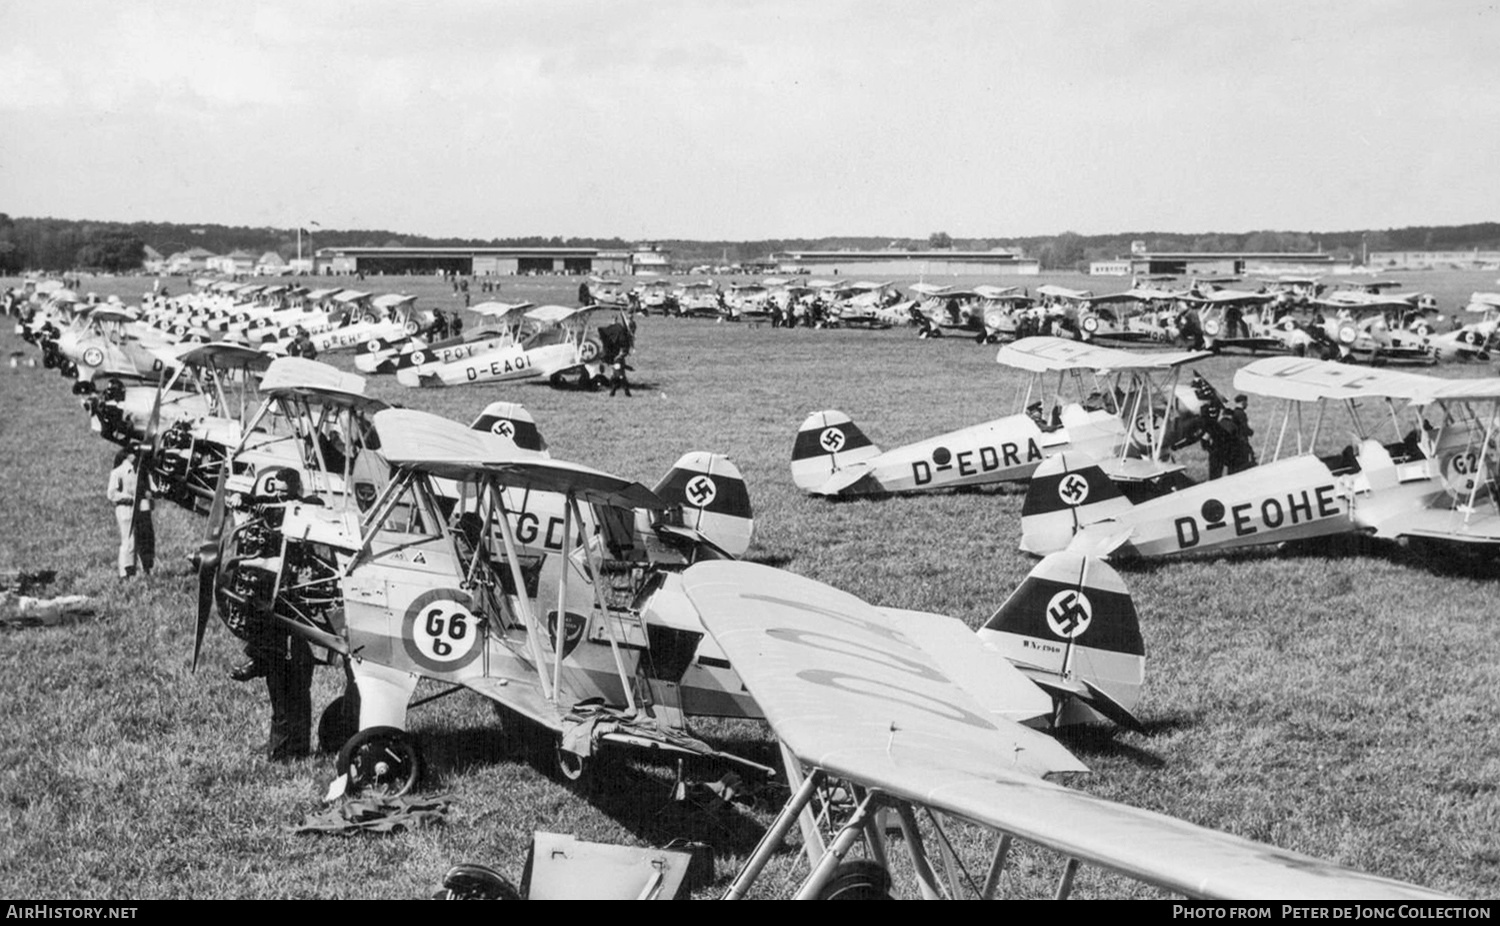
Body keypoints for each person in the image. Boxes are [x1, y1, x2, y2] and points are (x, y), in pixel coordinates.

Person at [106, 448, 154, 578]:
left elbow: (149, 489)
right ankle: (126, 572)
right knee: (129, 540)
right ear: (128, 456)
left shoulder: (141, 471)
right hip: (125, 510)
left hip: (141, 509)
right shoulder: (118, 472)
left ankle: (146, 567)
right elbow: (111, 494)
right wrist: (129, 498)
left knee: (145, 538)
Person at [1228, 394, 1257, 474]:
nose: (1247, 404)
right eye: (1246, 402)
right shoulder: (1241, 414)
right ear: (1243, 402)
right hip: (1241, 441)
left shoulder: (1234, 412)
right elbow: (1244, 427)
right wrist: (1250, 432)